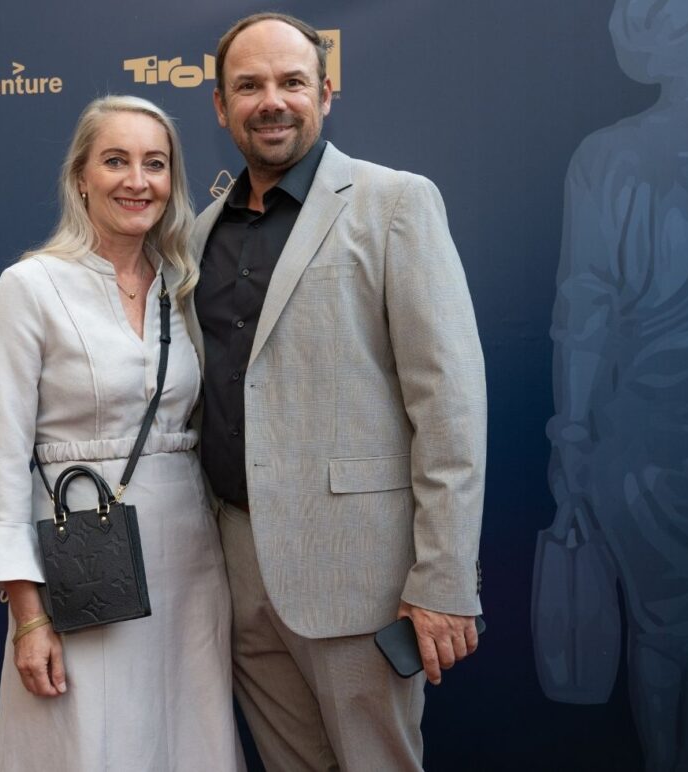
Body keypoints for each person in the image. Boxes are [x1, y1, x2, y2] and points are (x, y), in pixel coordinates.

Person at [190, 13, 487, 771]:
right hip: (234, 571)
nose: (272, 101)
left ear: (326, 92)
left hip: (359, 574)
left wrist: (444, 578)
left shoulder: (395, 203)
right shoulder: (194, 238)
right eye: (248, 85)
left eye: (291, 82)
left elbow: (448, 403)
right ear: (221, 106)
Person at [0, 95, 244, 771]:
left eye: (155, 163)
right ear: (81, 175)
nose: (136, 181)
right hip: (81, 564)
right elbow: (1, 463)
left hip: (192, 564)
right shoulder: (29, 287)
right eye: (116, 161)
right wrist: (28, 617)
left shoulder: (185, 284)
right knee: (88, 745)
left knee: (187, 739)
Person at [544, 1, 688, 768]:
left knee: (660, 630)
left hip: (640, 439)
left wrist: (571, 434)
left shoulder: (606, 156)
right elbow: (585, 307)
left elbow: (583, 310)